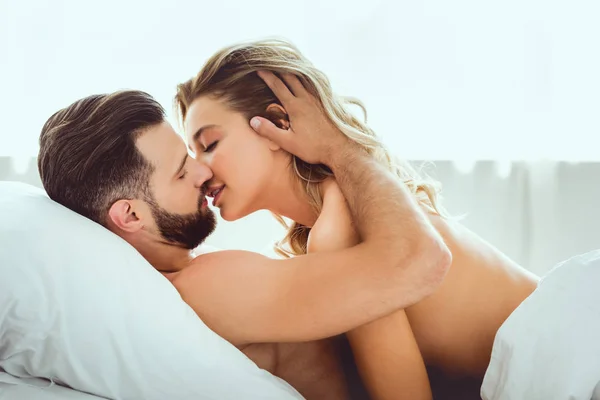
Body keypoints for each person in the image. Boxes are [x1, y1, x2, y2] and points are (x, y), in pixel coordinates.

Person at [174, 39, 540, 399]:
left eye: (209, 145)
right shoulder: (346, 207)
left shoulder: (340, 228)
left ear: (276, 123)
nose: (200, 172)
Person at [37, 85, 450, 398]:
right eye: (182, 172)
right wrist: (341, 150)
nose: (203, 173)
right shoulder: (206, 288)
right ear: (130, 215)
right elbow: (420, 262)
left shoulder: (182, 284)